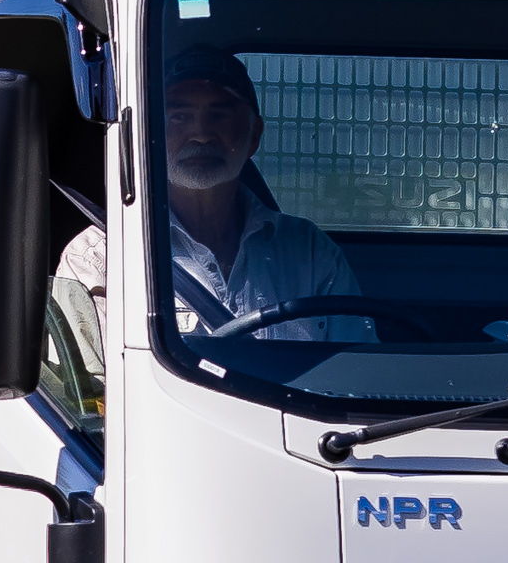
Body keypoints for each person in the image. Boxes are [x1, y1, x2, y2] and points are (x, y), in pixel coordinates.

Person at [54, 47, 362, 385]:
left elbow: (355, 378)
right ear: (150, 134)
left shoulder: (310, 252)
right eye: (179, 116)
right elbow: (92, 398)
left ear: (254, 135)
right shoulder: (100, 257)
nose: (201, 135)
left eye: (219, 115)